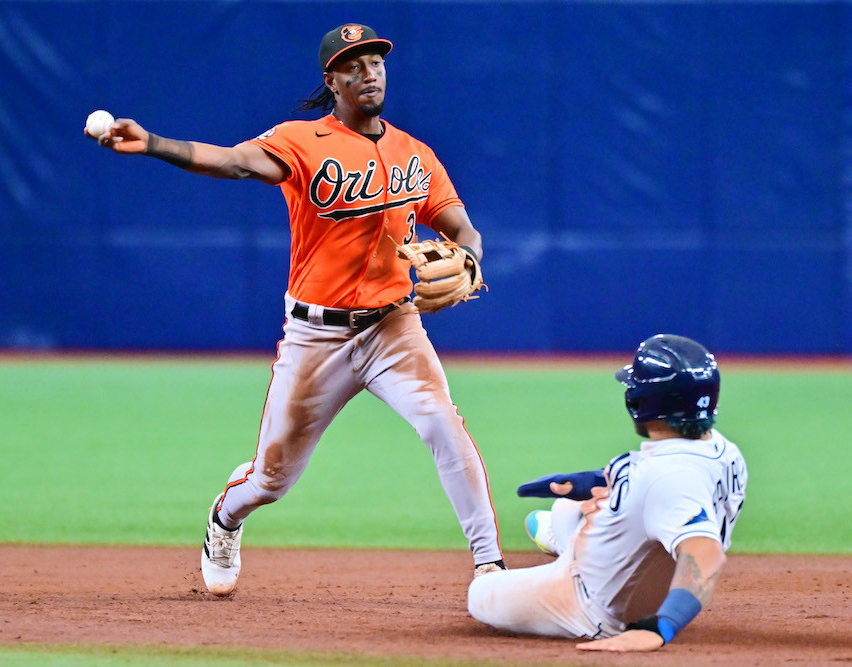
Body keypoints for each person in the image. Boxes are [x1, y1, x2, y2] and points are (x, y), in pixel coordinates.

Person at [88, 23, 505, 595]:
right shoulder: (301, 141)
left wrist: (472, 259)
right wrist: (156, 143)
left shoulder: (416, 154)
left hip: (393, 326)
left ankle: (490, 566)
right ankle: (225, 519)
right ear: (331, 80)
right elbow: (233, 162)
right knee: (271, 481)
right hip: (317, 337)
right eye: (353, 65)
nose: (368, 73)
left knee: (442, 423)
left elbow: (461, 226)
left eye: (375, 62)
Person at [467, 334, 747, 653]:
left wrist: (661, 627)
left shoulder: (668, 478)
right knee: (564, 508)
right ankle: (568, 540)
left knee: (479, 593)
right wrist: (583, 482)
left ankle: (568, 552)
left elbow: (705, 553)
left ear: (641, 400)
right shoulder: (724, 451)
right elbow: (644, 485)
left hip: (590, 607)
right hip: (649, 575)